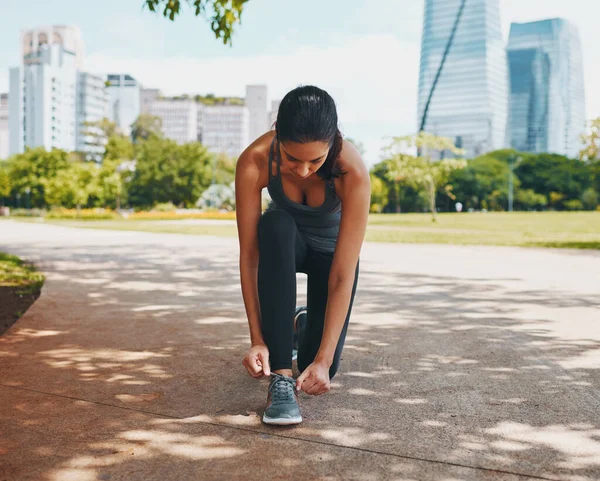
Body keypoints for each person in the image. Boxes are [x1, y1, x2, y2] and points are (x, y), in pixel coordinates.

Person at [235, 85, 370, 425]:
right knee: (275, 224)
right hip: (285, 248)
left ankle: (302, 324)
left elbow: (343, 271)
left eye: (316, 160)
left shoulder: (352, 171)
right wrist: (257, 339)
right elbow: (251, 255)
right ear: (277, 135)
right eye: (293, 158)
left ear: (334, 142)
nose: (305, 170)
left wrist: (323, 361)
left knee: (320, 367)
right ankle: (280, 379)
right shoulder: (255, 160)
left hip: (330, 259)